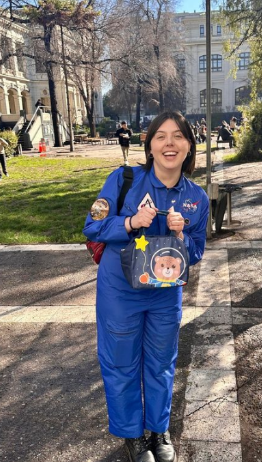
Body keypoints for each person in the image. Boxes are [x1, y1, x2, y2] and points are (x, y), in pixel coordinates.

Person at [83, 111, 209, 462]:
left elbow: (196, 251)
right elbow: (91, 228)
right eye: (161, 137)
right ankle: (132, 436)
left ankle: (158, 430)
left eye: (178, 136)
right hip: (120, 291)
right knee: (121, 361)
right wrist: (129, 222)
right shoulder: (124, 180)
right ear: (150, 146)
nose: (170, 143)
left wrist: (182, 233)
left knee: (161, 361)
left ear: (188, 146)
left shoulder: (197, 199)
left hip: (165, 294)